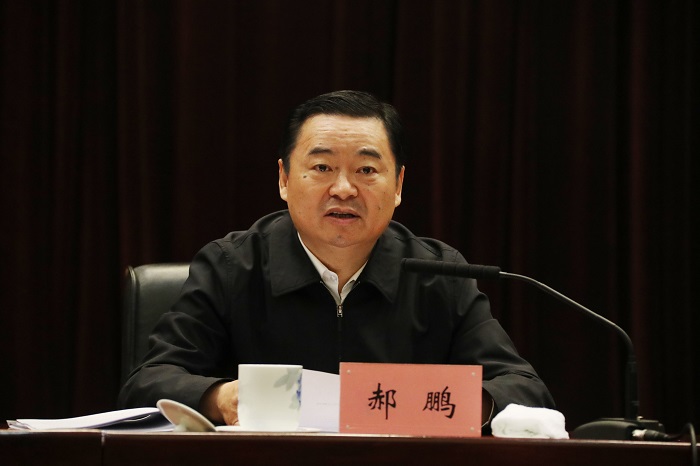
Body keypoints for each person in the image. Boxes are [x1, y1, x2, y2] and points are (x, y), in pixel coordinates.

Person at [118, 90, 555, 429]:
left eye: (366, 170)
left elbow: (525, 391)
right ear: (284, 179)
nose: (344, 189)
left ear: (398, 185)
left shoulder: (440, 274)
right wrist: (222, 399)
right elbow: (147, 383)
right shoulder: (232, 267)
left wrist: (448, 403)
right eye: (322, 168)